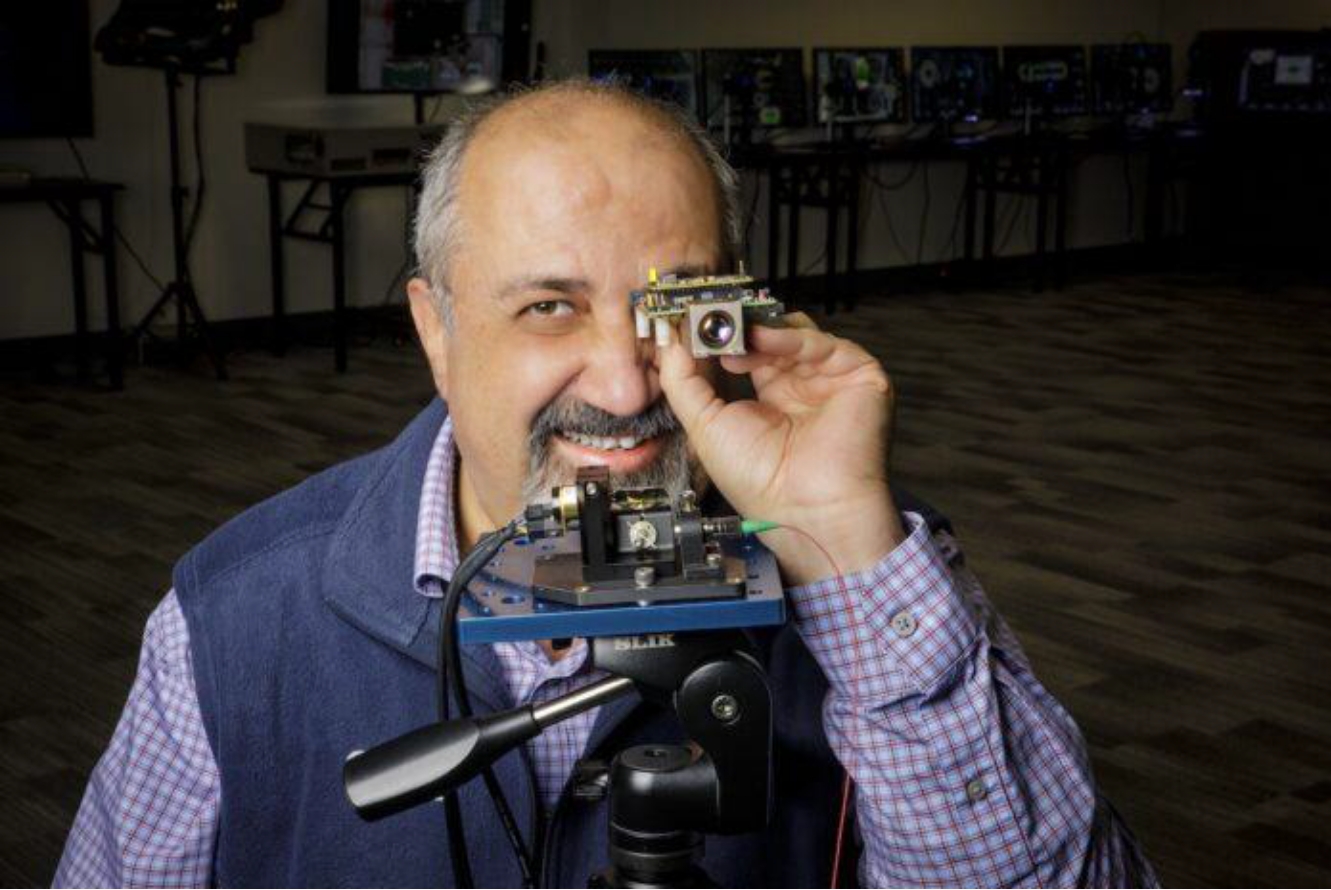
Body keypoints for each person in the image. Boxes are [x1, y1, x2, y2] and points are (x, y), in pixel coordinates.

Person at [55, 80, 1156, 888]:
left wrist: (848, 556)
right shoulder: (232, 615)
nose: (628, 383)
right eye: (549, 307)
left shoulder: (873, 575)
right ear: (434, 331)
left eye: (672, 310)